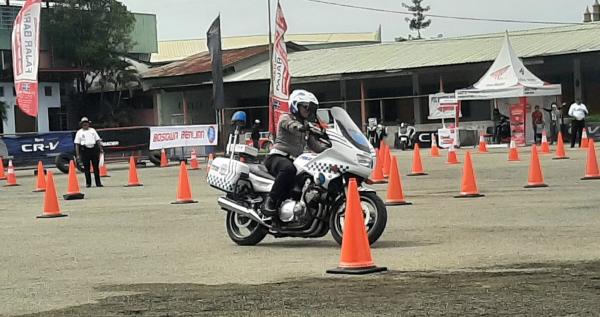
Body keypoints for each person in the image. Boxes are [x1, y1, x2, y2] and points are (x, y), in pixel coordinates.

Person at [262, 90, 325, 217]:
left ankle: (297, 208)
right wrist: (304, 128)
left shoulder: (307, 125)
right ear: (296, 105)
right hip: (277, 157)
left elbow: (316, 147)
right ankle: (270, 201)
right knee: (288, 169)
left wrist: (331, 148)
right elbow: (293, 127)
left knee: (307, 177)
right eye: (306, 107)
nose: (308, 111)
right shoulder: (286, 118)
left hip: (295, 161)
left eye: (311, 108)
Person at [74, 117, 104, 188]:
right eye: (84, 124)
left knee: (96, 167)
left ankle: (98, 182)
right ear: (81, 125)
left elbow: (98, 140)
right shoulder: (79, 132)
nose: (85, 125)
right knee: (86, 168)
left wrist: (101, 148)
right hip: (84, 150)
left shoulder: (92, 130)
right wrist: (78, 155)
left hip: (93, 149)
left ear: (88, 124)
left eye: (86, 124)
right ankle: (88, 183)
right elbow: (77, 144)